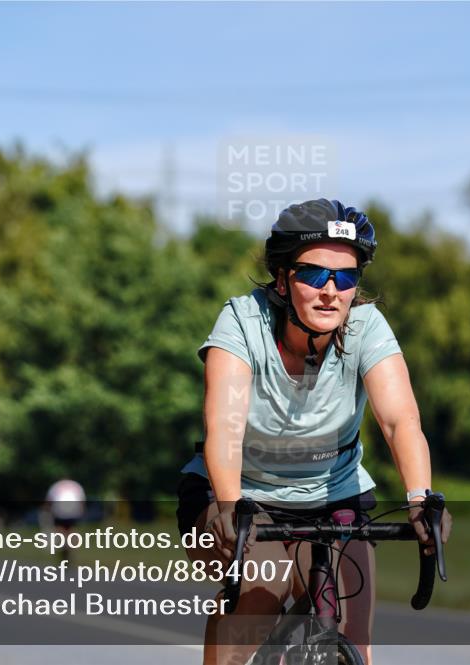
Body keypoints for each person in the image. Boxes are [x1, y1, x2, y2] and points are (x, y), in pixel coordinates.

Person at [176, 199, 451, 665]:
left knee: (353, 634)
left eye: (345, 278)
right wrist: (226, 505)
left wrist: (421, 498)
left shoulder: (366, 328)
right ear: (283, 280)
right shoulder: (243, 321)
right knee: (268, 584)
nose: (331, 291)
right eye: (314, 274)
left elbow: (399, 419)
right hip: (238, 495)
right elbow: (224, 424)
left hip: (333, 497)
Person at [46, 478, 86, 562]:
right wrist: (82, 512)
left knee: (61, 531)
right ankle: (70, 548)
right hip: (73, 512)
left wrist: (49, 511)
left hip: (59, 512)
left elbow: (49, 501)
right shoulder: (76, 485)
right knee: (72, 531)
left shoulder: (56, 486)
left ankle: (64, 546)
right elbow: (82, 501)